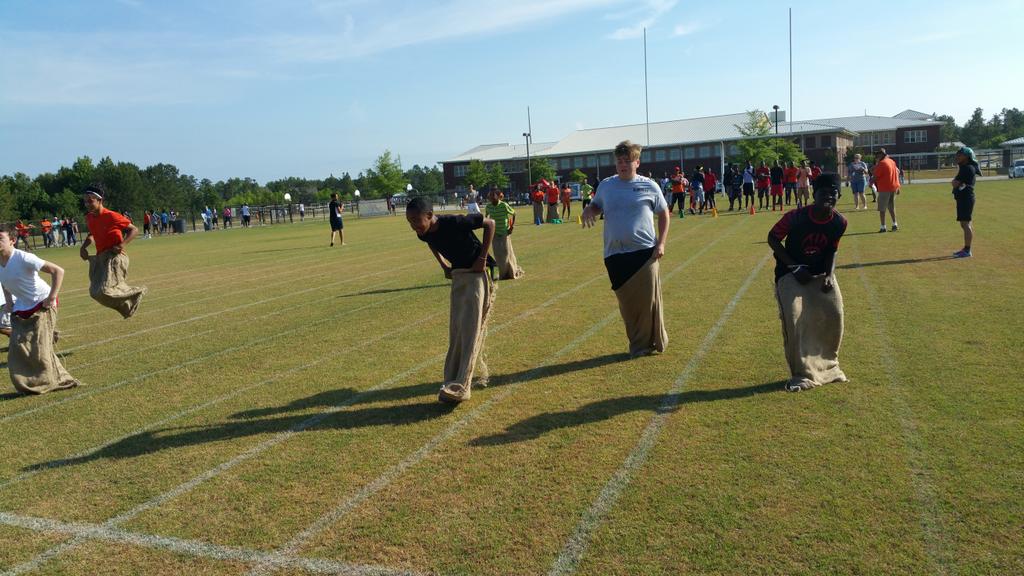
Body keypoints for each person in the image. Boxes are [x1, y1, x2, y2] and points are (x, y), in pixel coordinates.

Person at [582, 140, 669, 357]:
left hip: (644, 253)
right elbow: (596, 205)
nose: (623, 165)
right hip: (614, 254)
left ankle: (643, 346)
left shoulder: (650, 186)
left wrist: (661, 243)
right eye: (619, 161)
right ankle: (639, 342)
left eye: (627, 161)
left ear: (637, 162)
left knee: (648, 304)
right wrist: (589, 209)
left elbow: (664, 213)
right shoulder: (606, 186)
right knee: (628, 307)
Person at [406, 196, 496, 403]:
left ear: (429, 216)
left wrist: (482, 258)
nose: (413, 226)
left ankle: (462, 385)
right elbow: (431, 243)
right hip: (460, 274)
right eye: (409, 222)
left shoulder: (454, 222)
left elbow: (490, 223)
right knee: (457, 329)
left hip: (478, 272)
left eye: (416, 221)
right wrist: (443, 265)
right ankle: (452, 379)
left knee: (471, 329)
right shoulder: (424, 232)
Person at [767, 173, 849, 392]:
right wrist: (795, 267)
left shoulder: (839, 222)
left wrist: (830, 275)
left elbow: (832, 249)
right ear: (814, 193)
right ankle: (801, 374)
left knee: (835, 314)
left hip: (820, 272)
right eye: (824, 193)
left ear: (838, 196)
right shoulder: (796, 217)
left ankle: (829, 368)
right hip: (790, 272)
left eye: (833, 194)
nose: (828, 197)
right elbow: (772, 238)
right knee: (795, 318)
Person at [0, 229, 79, 395]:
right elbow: (4, 281)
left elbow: (58, 271)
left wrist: (52, 297)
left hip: (42, 303)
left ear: (12, 240)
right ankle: (45, 380)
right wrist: (8, 302)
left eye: (0, 238)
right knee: (18, 347)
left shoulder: (23, 257)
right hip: (22, 306)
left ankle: (49, 381)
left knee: (40, 348)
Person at [79, 186, 147, 319]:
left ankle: (136, 292)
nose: (87, 204)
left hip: (116, 257)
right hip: (101, 258)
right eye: (85, 201)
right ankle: (128, 305)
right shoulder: (89, 218)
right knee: (94, 292)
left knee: (105, 291)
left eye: (90, 200)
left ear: (100, 200)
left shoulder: (112, 216)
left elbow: (134, 230)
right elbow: (92, 235)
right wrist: (83, 247)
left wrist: (122, 244)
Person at [485, 187, 523, 280]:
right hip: (494, 233)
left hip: (504, 232)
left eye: (493, 195)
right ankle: (503, 274)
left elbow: (514, 214)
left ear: (498, 196)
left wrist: (511, 227)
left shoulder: (504, 205)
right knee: (498, 255)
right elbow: (486, 218)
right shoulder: (488, 206)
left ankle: (510, 272)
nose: (491, 197)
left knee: (506, 253)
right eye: (490, 195)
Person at [951, 146, 980, 258]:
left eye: (960, 154)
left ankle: (967, 250)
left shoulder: (967, 168)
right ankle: (966, 248)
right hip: (964, 198)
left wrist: (955, 182)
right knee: (964, 224)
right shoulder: (965, 167)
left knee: (966, 224)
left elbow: (956, 183)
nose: (958, 156)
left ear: (967, 156)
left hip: (966, 198)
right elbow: (956, 182)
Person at [872, 148, 900, 232]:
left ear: (881, 155)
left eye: (877, 154)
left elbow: (875, 177)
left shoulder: (881, 163)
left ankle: (883, 227)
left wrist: (870, 182)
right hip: (893, 187)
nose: (876, 156)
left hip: (885, 188)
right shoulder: (891, 161)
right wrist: (898, 186)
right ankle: (895, 224)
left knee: (882, 209)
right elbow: (897, 172)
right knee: (891, 207)